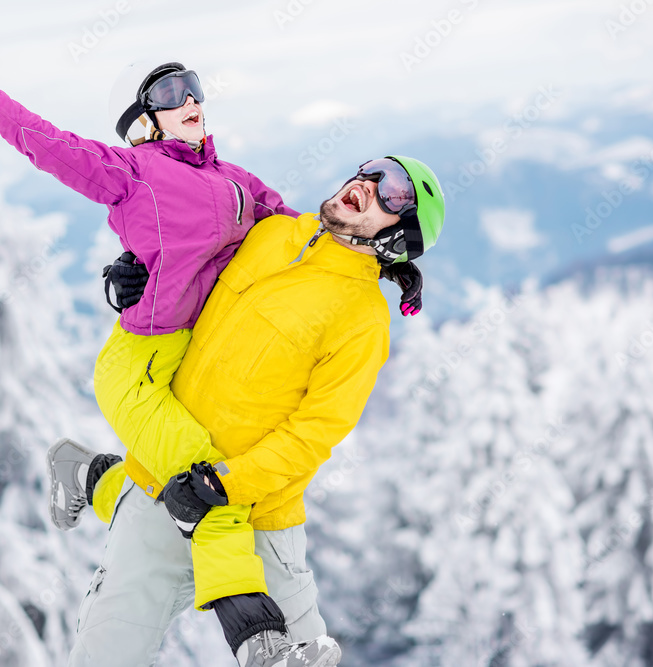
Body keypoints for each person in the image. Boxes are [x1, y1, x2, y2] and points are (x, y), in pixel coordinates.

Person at [0, 20, 397, 666]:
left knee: (165, 480)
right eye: (170, 91)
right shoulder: (132, 173)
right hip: (135, 366)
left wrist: (378, 261)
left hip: (177, 359)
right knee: (199, 477)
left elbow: (290, 238)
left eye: (192, 84)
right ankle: (258, 641)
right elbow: (50, 146)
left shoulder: (235, 183)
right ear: (144, 120)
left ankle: (87, 474)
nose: (190, 96)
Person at [63, 155, 446, 666]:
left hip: (260, 524)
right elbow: (185, 265)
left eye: (393, 195)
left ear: (398, 238)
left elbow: (312, 437)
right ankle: (95, 476)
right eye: (373, 171)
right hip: (159, 489)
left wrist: (226, 484)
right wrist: (135, 275)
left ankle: (88, 475)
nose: (370, 185)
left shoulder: (362, 322)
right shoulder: (269, 235)